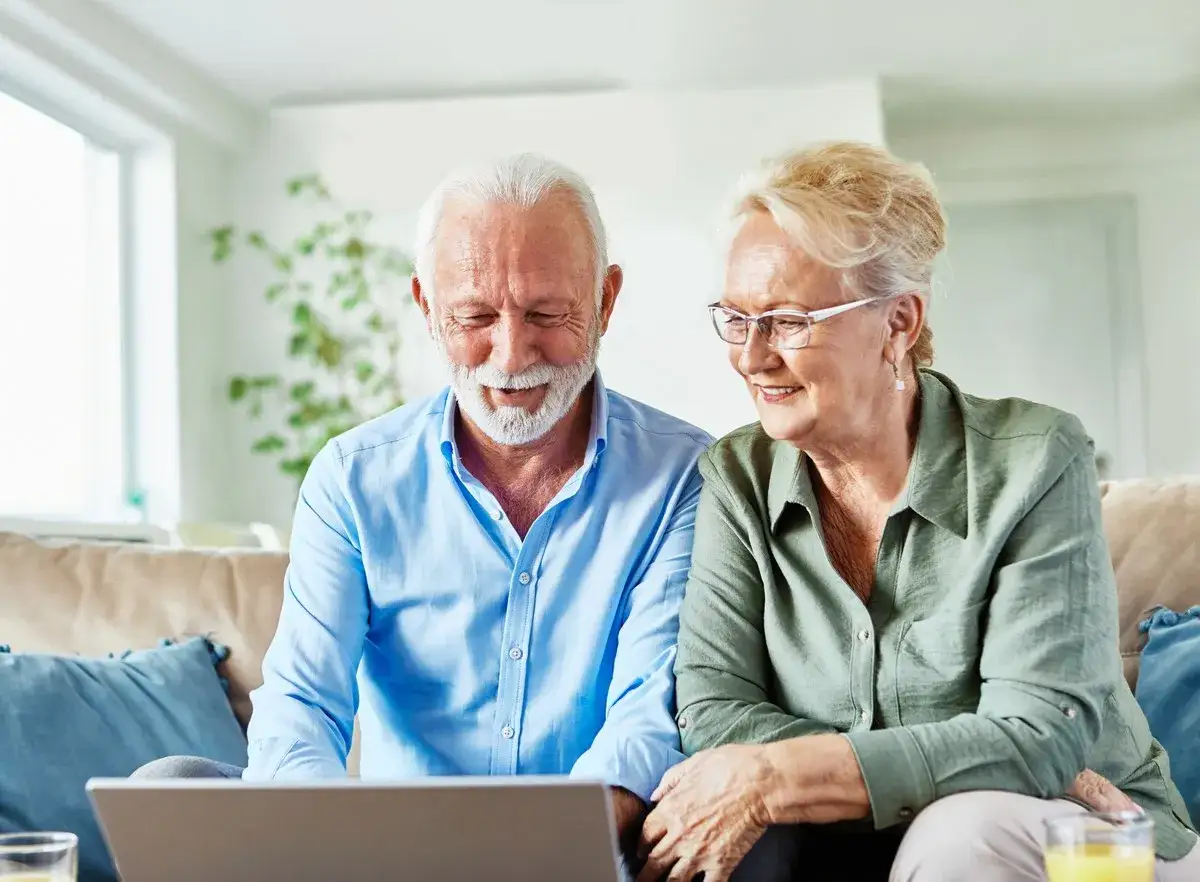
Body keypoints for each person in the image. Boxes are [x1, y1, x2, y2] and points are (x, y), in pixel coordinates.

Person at [634, 142, 1199, 882]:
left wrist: (785, 775)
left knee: (964, 830)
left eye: (788, 321)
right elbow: (713, 711)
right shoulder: (736, 476)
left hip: (1094, 842)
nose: (751, 356)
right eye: (736, 319)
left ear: (898, 323)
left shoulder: (1035, 461)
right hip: (865, 850)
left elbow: (1039, 741)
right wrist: (961, 756)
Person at [136, 153, 713, 855]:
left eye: (547, 312)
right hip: (388, 857)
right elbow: (303, 707)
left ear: (605, 301)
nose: (510, 354)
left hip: (585, 850)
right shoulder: (353, 480)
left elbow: (645, 718)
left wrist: (542, 855)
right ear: (426, 307)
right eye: (475, 315)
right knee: (176, 781)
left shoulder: (683, 475)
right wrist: (331, 849)